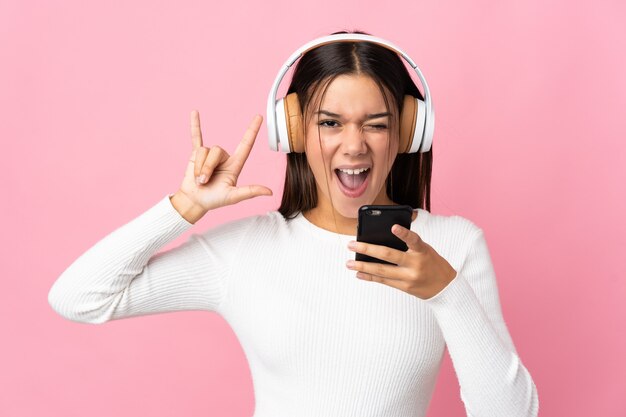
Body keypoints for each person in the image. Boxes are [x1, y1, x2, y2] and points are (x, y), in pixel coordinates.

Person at [48, 30, 539, 416]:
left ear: (409, 132)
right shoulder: (248, 249)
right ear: (295, 130)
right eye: (330, 122)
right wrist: (182, 207)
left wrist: (445, 291)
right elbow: (78, 298)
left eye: (376, 123)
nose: (354, 146)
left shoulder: (454, 245)